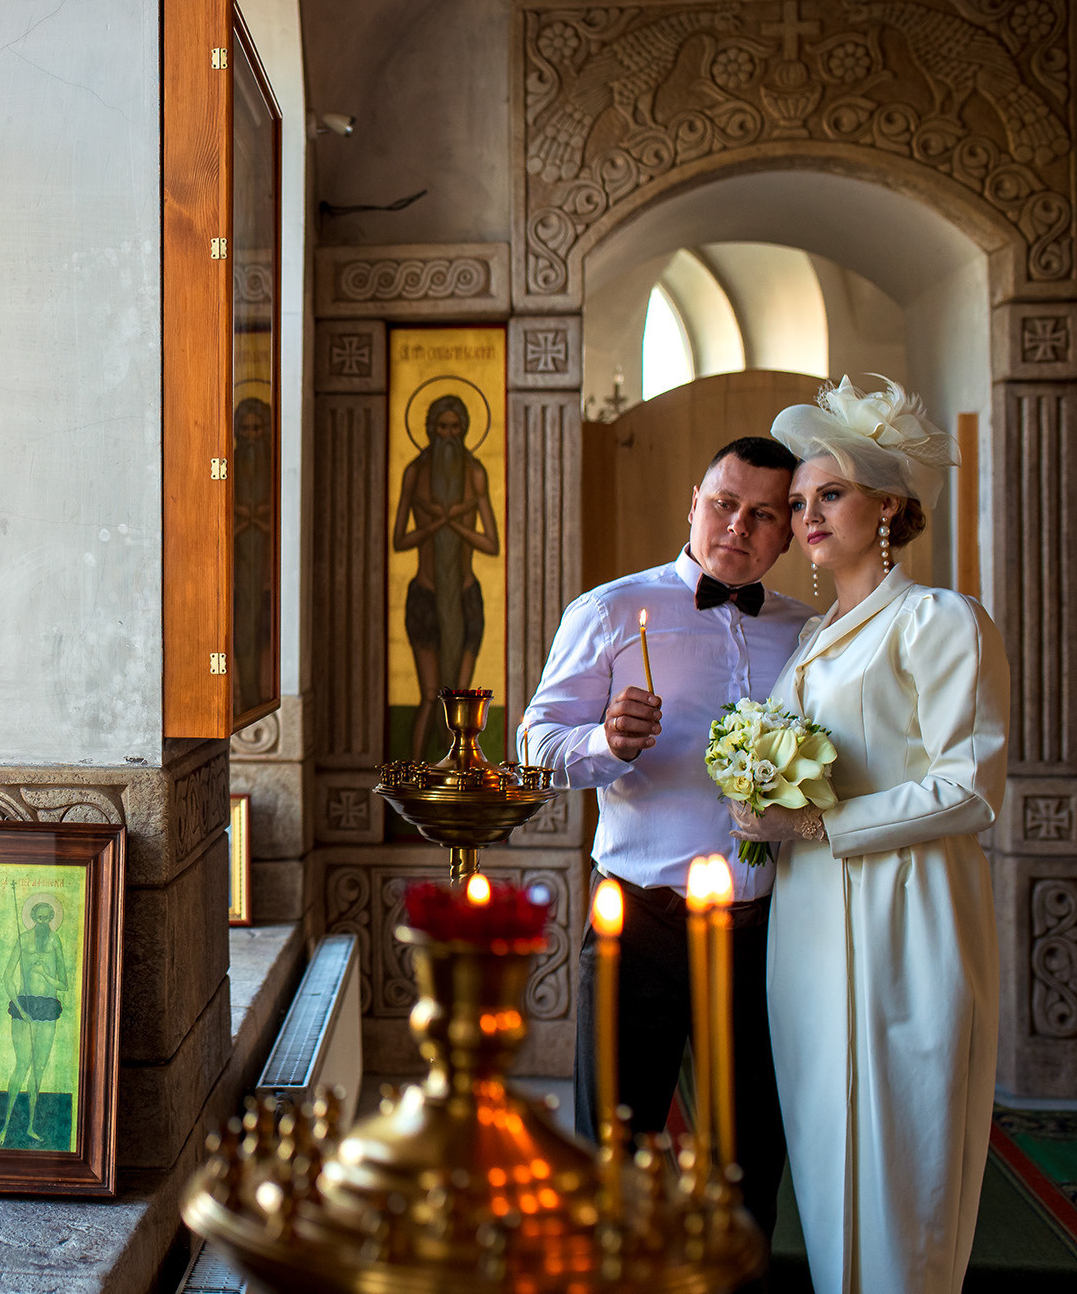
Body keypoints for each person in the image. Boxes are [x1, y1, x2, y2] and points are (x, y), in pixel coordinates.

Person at [733, 377, 1005, 1294]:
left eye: (830, 494)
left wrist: (816, 818)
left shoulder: (941, 621)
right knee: (823, 1141)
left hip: (907, 907)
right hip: (808, 917)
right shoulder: (811, 641)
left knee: (902, 1140)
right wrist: (751, 797)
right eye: (800, 502)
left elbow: (968, 785)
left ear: (889, 504)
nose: (807, 514)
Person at [521, 435, 811, 1240]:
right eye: (724, 502)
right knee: (613, 1153)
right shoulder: (611, 611)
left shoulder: (811, 634)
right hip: (637, 925)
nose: (738, 526)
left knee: (750, 1162)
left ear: (787, 533)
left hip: (764, 935)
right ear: (694, 500)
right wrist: (606, 743)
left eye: (762, 514)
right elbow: (534, 745)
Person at [393, 394, 500, 760]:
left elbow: (490, 543)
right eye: (442, 427)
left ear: (465, 430)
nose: (449, 435)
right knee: (428, 697)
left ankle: (462, 781)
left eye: (456, 428)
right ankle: (415, 778)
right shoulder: (415, 473)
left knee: (461, 701)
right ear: (430, 430)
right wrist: (444, 519)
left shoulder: (474, 473)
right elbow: (399, 540)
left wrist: (452, 520)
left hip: (466, 598)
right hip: (425, 597)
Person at [0, 892, 70, 1146]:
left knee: (39, 1069)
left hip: (47, 1008)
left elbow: (64, 983)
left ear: (51, 918)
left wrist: (47, 974)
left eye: (46, 918)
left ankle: (29, 1126)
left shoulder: (55, 941)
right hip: (25, 1006)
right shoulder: (23, 939)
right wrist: (21, 1008)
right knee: (22, 1065)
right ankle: (6, 1125)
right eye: (38, 918)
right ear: (32, 918)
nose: (42, 922)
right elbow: (7, 978)